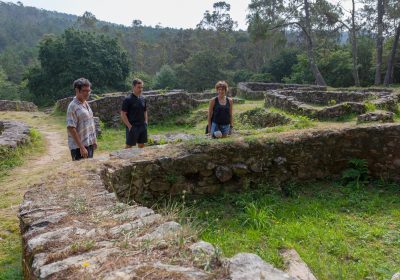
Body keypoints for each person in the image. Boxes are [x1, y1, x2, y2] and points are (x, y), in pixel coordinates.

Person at [67, 78, 97, 161]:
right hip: (79, 148)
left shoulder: (85, 103)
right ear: (77, 90)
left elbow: (90, 122)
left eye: (89, 91)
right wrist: (81, 147)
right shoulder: (73, 106)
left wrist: (93, 141)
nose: (87, 93)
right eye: (84, 91)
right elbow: (71, 128)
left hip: (88, 144)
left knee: (90, 170)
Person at [120, 79, 148, 148]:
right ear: (133, 87)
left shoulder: (143, 98)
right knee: (129, 147)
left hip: (142, 126)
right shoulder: (127, 99)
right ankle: (125, 159)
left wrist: (146, 122)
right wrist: (129, 126)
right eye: (138, 87)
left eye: (142, 87)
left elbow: (145, 111)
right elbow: (123, 114)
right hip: (133, 126)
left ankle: (140, 158)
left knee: (141, 145)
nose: (141, 89)